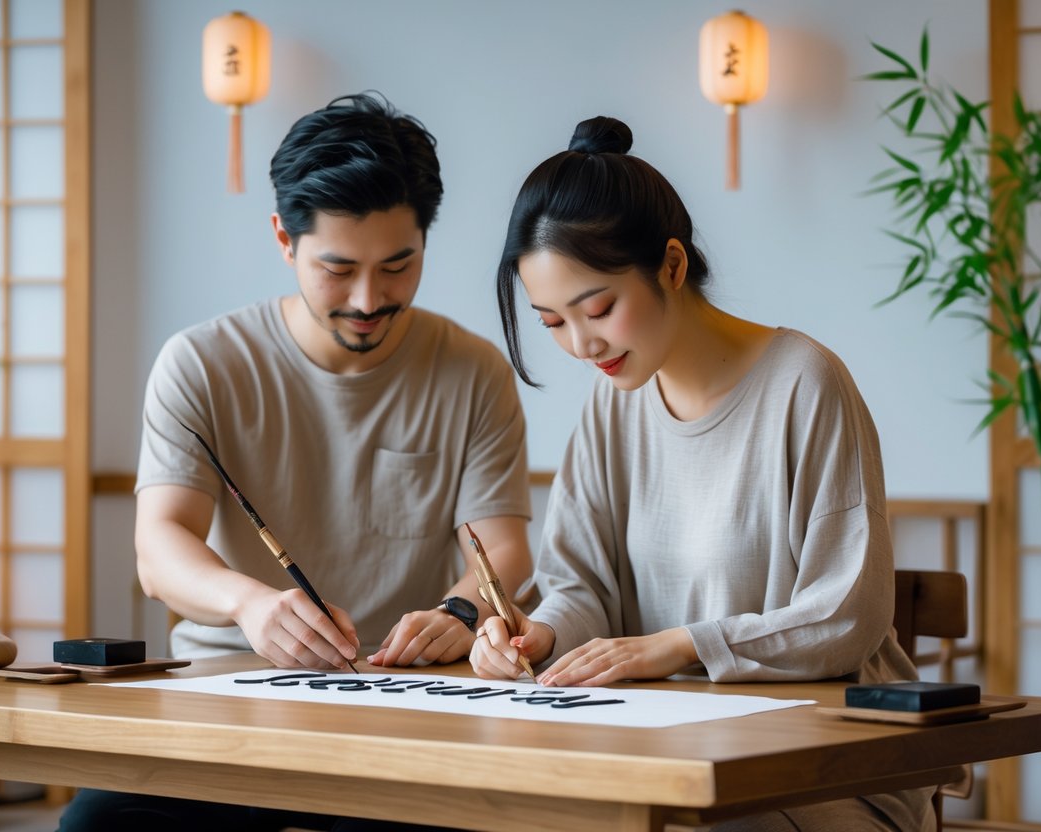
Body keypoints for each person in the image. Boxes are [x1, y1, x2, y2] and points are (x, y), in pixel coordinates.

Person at [58, 92, 530, 832]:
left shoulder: (473, 371)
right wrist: (249, 604)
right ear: (284, 238)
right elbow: (160, 547)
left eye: (399, 266)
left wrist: (462, 610)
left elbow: (500, 544)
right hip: (224, 692)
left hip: (406, 702)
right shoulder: (202, 363)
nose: (369, 299)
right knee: (99, 825)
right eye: (337, 269)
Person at [470, 116, 936, 832]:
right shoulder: (611, 403)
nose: (581, 344)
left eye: (596, 308)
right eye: (552, 323)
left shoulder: (802, 385)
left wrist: (679, 645)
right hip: (668, 755)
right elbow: (581, 585)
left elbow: (847, 615)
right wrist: (540, 636)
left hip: (829, 769)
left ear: (672, 266)